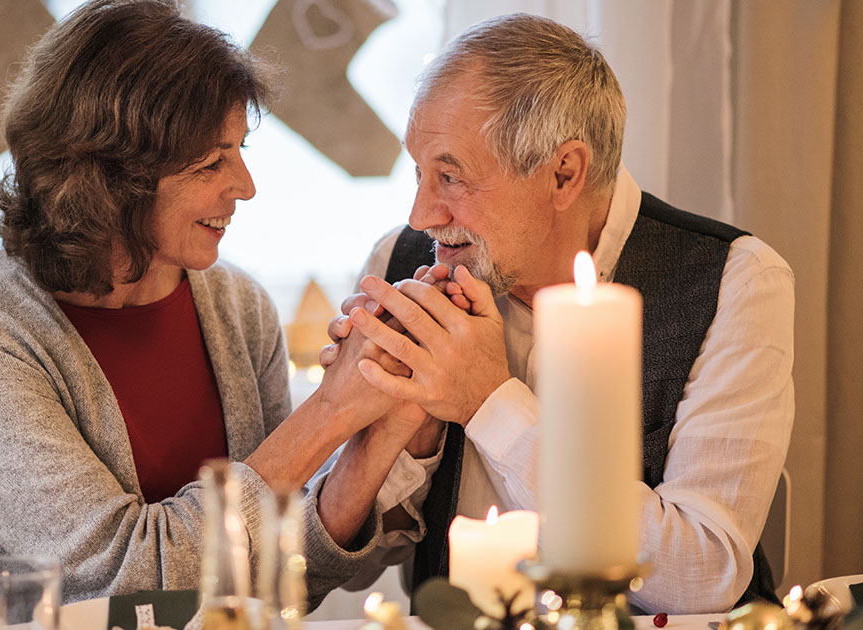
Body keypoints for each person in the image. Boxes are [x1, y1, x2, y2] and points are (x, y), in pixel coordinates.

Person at [0, 0, 424, 605]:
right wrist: (331, 410)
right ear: (110, 177)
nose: (246, 186)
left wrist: (388, 419)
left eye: (240, 149)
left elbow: (284, 576)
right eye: (213, 161)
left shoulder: (238, 306)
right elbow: (120, 580)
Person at [324, 13, 794, 614]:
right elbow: (356, 572)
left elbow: (704, 574)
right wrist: (398, 438)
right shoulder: (403, 260)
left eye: (450, 175)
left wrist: (489, 404)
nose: (422, 215)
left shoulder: (738, 281)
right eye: (419, 173)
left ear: (563, 172)